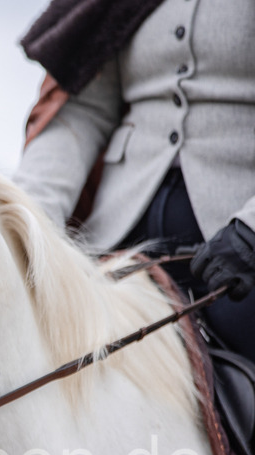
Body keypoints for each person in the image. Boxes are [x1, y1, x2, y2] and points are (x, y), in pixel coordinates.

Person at [14, 0, 255, 361]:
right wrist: (25, 217)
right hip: (118, 238)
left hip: (238, 248)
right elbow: (84, 109)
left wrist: (251, 230)